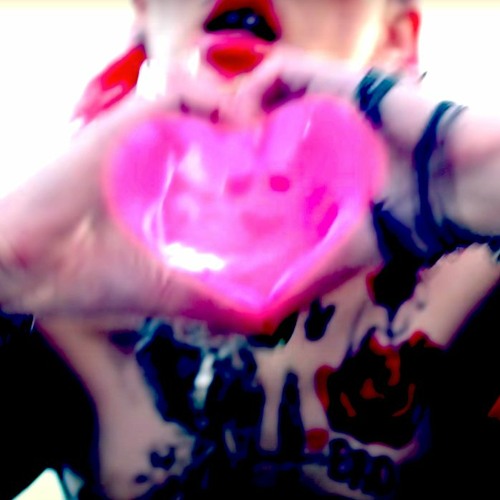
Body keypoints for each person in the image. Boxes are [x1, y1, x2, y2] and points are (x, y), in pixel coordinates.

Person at [2, 0, 500, 498]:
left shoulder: (473, 280)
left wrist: (484, 173)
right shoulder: (59, 289)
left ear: (395, 39)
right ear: (145, 15)